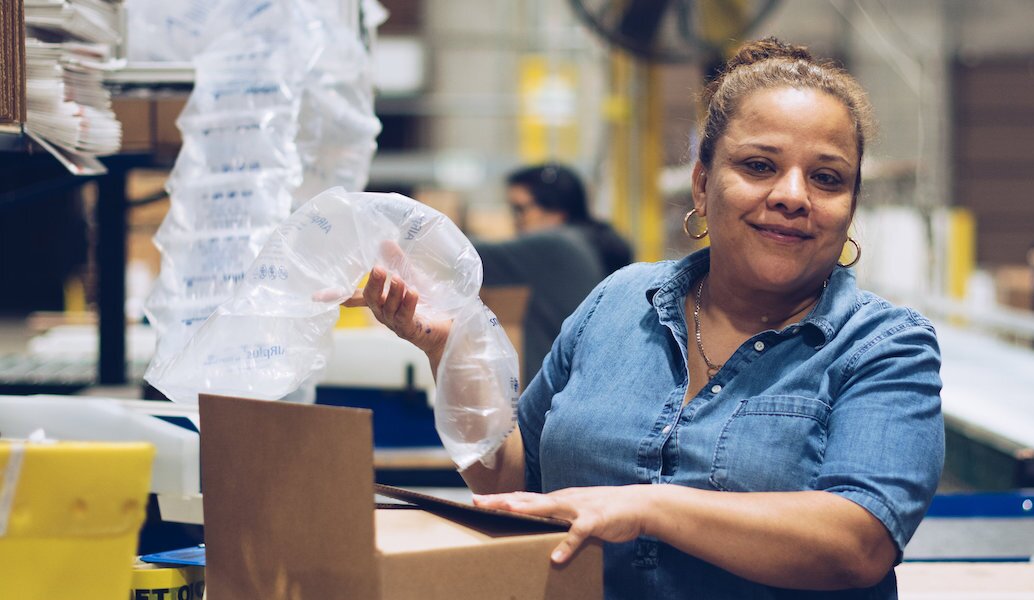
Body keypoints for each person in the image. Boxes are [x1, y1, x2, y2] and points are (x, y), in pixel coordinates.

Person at [350, 38, 943, 599]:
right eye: (760, 165)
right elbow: (512, 482)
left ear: (850, 206)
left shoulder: (883, 346)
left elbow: (859, 541)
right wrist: (450, 349)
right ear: (703, 183)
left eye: (827, 177)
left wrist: (642, 507)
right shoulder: (619, 302)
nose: (793, 195)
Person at [471, 163, 634, 382]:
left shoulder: (557, 246)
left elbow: (468, 255)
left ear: (556, 210)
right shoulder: (586, 242)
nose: (515, 221)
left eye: (520, 210)